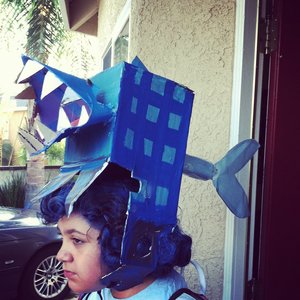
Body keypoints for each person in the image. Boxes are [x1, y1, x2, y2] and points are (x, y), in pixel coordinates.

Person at [39, 166, 205, 300]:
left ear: (128, 242)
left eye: (77, 240)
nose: (61, 255)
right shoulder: (93, 295)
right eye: (63, 237)